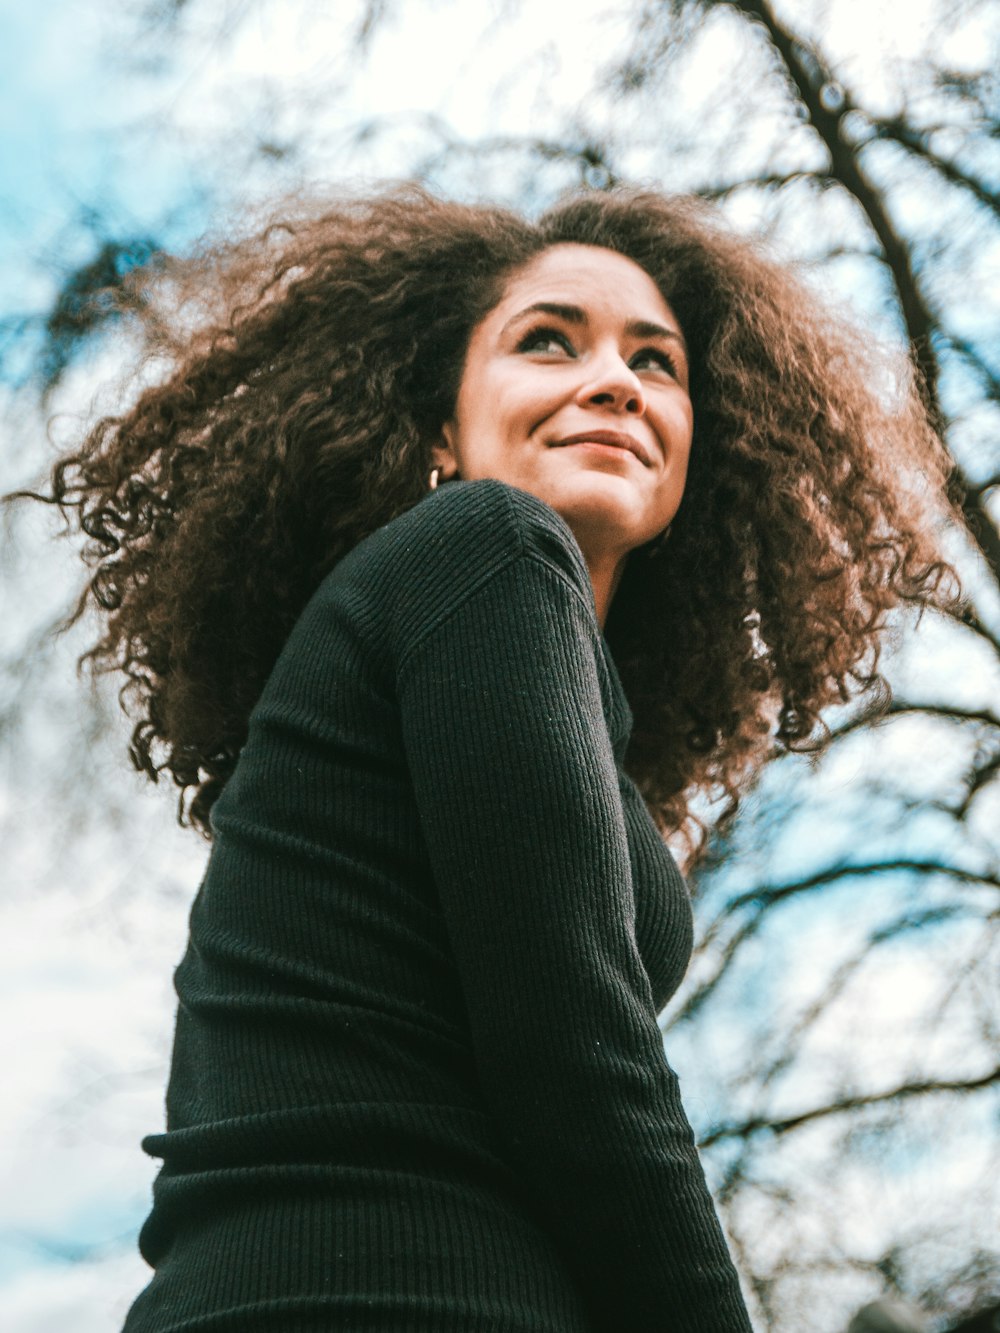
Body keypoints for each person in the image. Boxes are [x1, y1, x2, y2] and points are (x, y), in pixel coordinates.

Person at [28, 185, 956, 1331]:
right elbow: (571, 1045)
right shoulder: (485, 548)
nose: (615, 379)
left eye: (657, 364)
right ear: (438, 430)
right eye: (546, 341)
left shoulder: (538, 687)